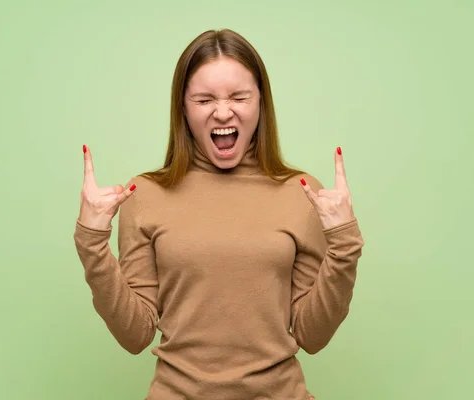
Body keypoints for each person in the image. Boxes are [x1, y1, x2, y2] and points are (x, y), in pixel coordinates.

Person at [73, 28, 364, 400]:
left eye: (239, 96)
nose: (223, 111)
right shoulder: (143, 194)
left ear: (261, 102)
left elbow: (313, 335)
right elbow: (136, 335)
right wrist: (92, 243)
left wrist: (344, 244)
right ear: (183, 106)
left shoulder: (303, 192)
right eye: (204, 99)